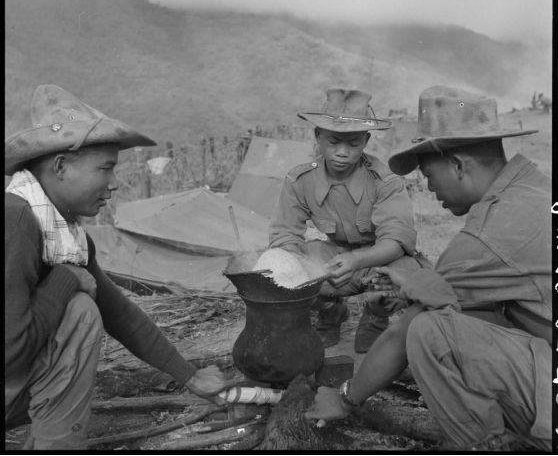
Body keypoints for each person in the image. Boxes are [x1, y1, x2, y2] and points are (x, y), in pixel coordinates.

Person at [305, 86, 551, 451]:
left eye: (428, 175)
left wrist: (345, 398)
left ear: (458, 165)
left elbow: (406, 330)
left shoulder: (488, 235)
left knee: (428, 331)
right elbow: (472, 292)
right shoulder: (535, 189)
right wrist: (418, 285)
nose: (430, 189)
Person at [5, 85, 232, 450]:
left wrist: (190, 377)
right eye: (106, 168)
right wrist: (65, 280)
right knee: (80, 313)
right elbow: (9, 352)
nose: (114, 184)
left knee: (86, 306)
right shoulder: (16, 221)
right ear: (62, 166)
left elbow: (120, 314)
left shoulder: (67, 235)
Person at [269, 88, 423, 351]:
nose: (342, 152)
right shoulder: (299, 180)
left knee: (408, 271)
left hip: (376, 260)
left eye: (353, 144)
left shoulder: (384, 181)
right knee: (284, 264)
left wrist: (356, 260)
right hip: (335, 261)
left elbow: (396, 240)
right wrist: (311, 268)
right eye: (333, 142)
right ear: (318, 136)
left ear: (365, 140)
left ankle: (376, 315)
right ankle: (330, 311)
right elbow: (284, 236)